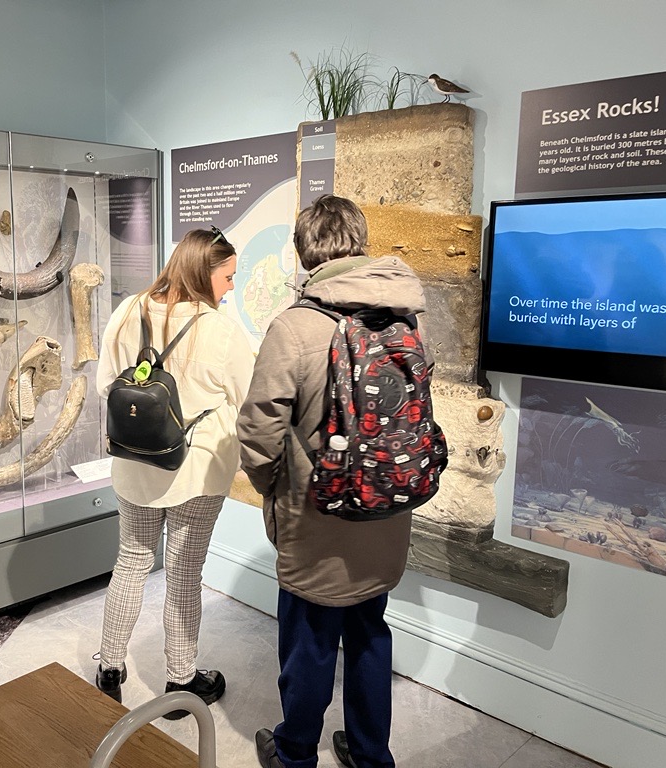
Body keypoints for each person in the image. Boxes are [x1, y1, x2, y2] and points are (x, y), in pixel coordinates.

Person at [238, 195, 425, 768]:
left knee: (310, 643)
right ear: (361, 243)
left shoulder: (295, 326)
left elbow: (258, 429)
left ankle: (295, 753)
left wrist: (275, 488)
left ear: (303, 250)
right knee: (371, 631)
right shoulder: (406, 318)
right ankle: (371, 755)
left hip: (317, 512)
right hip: (387, 509)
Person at [94, 226, 254, 718]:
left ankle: (110, 672)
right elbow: (249, 402)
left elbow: (106, 387)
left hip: (135, 466)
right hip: (197, 472)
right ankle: (182, 682)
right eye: (227, 277)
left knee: (131, 562)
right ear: (205, 272)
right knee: (184, 574)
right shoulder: (221, 330)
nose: (231, 287)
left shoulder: (128, 311)